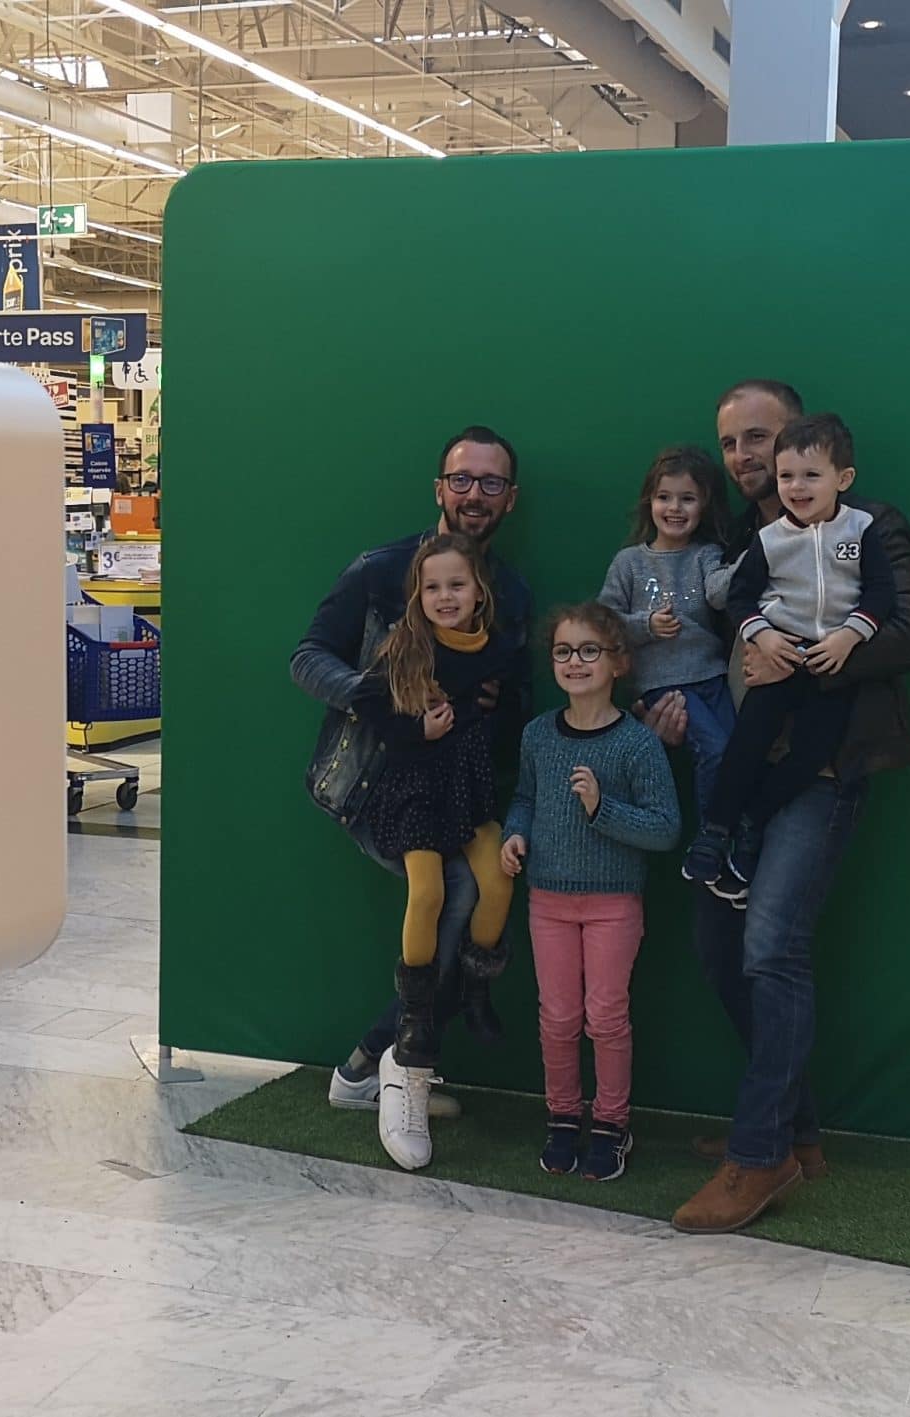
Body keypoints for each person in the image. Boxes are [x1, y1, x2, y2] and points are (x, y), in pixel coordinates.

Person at [644, 379, 910, 1236]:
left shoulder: (868, 525)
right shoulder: (744, 536)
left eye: (762, 440)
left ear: (812, 453)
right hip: (734, 774)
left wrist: (809, 656)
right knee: (718, 947)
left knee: (772, 946)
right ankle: (796, 1132)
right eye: (732, 442)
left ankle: (761, 1150)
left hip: (822, 769)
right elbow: (715, 629)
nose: (748, 458)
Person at [291, 428, 532, 1135]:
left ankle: (368, 1065)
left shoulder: (511, 593)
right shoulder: (380, 568)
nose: (474, 494)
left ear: (510, 499)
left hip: (458, 790)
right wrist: (381, 695)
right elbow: (307, 657)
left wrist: (497, 703)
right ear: (439, 488)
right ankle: (405, 1060)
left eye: (491, 483)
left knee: (483, 889)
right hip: (373, 784)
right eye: (462, 479)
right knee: (452, 892)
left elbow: (513, 696)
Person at [346, 535, 517, 1168]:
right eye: (433, 587)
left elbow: (510, 714)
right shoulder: (406, 648)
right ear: (417, 595)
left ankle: (474, 990)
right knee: (430, 892)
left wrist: (490, 712)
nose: (445, 597)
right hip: (416, 793)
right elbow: (370, 711)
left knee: (498, 881)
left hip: (469, 792)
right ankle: (417, 1016)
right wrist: (416, 728)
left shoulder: (498, 651)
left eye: (457, 585)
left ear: (480, 592)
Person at [680, 414, 898, 903]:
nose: (796, 487)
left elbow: (883, 594)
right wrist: (762, 638)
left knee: (814, 755)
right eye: (786, 477)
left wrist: (848, 637)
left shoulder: (862, 529)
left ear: (843, 479)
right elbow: (740, 599)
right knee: (745, 746)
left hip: (831, 669)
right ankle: (715, 830)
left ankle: (753, 817)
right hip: (779, 662)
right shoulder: (769, 539)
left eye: (811, 476)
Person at [500, 604, 679, 1182]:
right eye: (563, 651)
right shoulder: (537, 736)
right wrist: (515, 835)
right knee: (557, 1017)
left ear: (618, 662)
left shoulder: (637, 745)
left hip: (613, 905)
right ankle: (562, 1117)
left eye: (588, 651)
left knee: (605, 1016)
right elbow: (525, 798)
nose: (574, 662)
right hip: (547, 900)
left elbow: (665, 828)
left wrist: (602, 808)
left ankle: (611, 1123)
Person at [598, 447, 733, 812]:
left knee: (739, 752)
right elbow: (603, 625)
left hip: (712, 678)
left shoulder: (707, 555)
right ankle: (712, 838)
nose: (675, 508)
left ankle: (741, 836)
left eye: (687, 499)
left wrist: (754, 560)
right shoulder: (629, 562)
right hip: (664, 684)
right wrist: (646, 625)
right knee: (716, 751)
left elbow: (720, 596)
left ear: (703, 505)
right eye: (664, 498)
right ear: (649, 502)